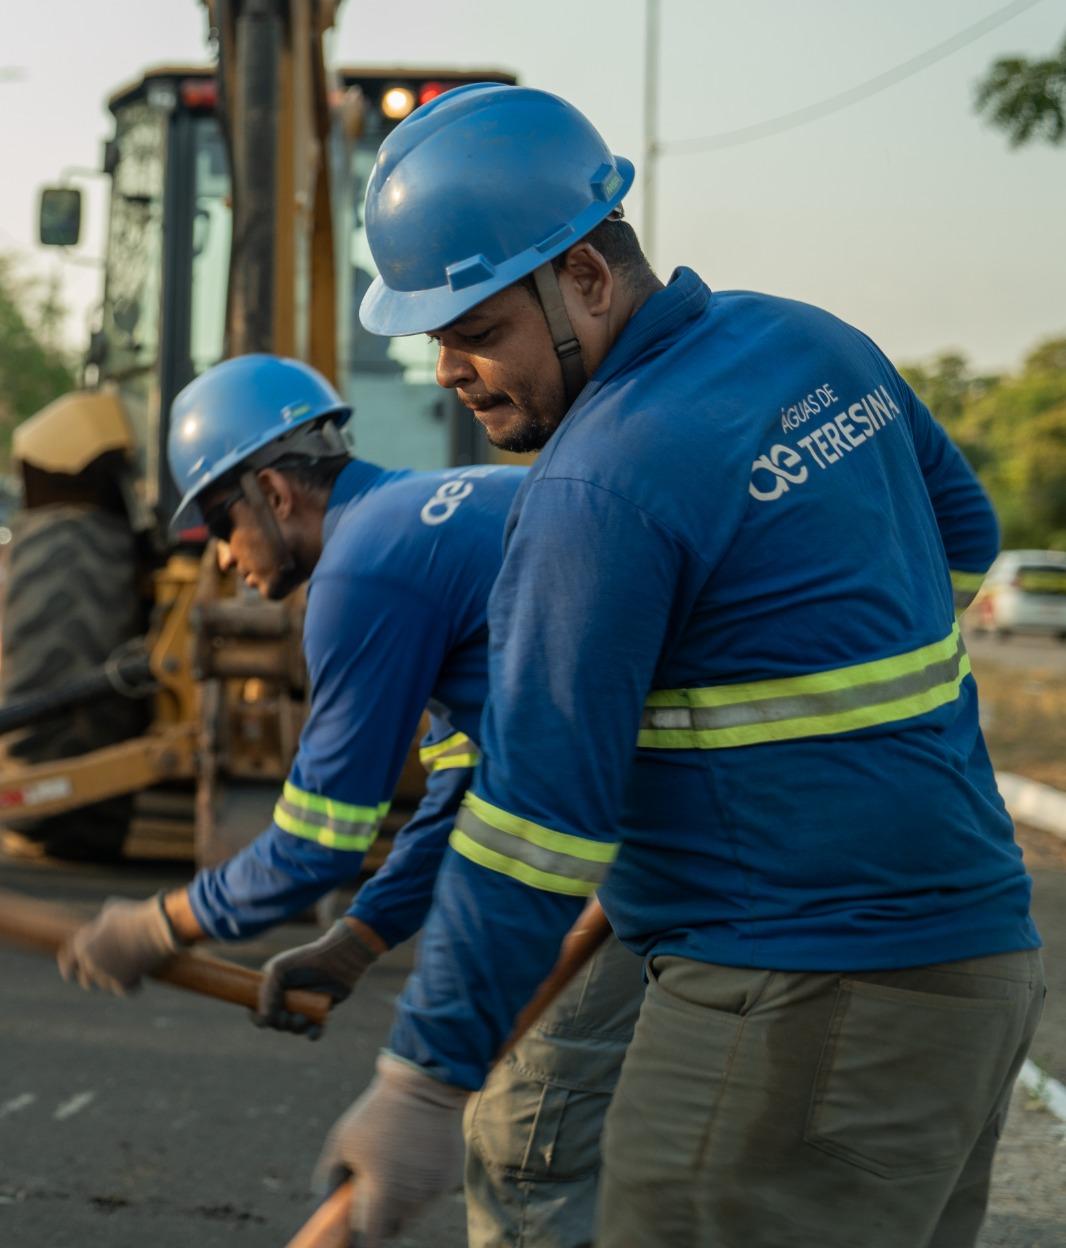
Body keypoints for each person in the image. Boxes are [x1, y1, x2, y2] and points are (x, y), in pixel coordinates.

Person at [313, 82, 1044, 1248]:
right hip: (970, 973)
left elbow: (531, 827)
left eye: (478, 328)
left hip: (797, 996)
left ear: (587, 281)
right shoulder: (811, 341)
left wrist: (422, 1079)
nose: (450, 367)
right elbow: (963, 534)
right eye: (434, 337)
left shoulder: (601, 481)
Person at [57, 352, 643, 1248]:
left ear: (274, 494)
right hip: (667, 831)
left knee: (526, 1138)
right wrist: (360, 939)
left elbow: (312, 850)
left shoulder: (364, 571)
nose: (220, 551)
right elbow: (468, 784)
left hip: (639, 853)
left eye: (219, 518)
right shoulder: (431, 515)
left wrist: (156, 925)